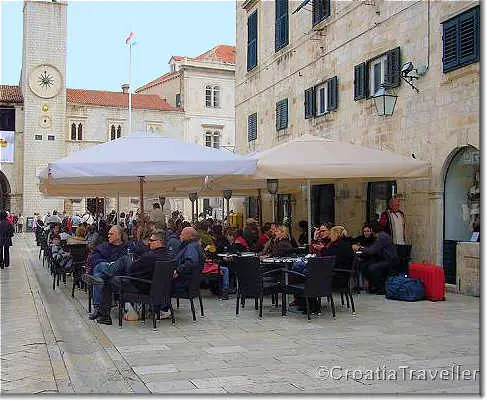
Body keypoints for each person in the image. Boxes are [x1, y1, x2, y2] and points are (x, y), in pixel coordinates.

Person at [95, 229, 173, 325]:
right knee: (124, 261)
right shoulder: (170, 256)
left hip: (142, 287)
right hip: (158, 289)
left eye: (151, 241)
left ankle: (104, 315)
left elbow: (133, 270)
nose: (149, 242)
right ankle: (107, 270)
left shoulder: (150, 256)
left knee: (109, 280)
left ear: (159, 242)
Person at [84, 225, 128, 319]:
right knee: (100, 269)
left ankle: (97, 309)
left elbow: (125, 265)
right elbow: (94, 258)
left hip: (118, 275)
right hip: (104, 272)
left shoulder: (126, 248)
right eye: (108, 233)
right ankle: (107, 269)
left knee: (98, 275)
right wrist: (105, 264)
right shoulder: (104, 246)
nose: (108, 236)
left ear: (119, 236)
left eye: (111, 234)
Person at [352, 222, 399, 294]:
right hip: (385, 259)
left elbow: (371, 250)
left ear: (373, 229)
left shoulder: (381, 237)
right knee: (365, 266)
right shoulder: (381, 236)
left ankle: (381, 288)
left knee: (371, 268)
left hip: (390, 260)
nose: (368, 232)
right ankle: (376, 286)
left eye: (369, 230)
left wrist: (359, 248)